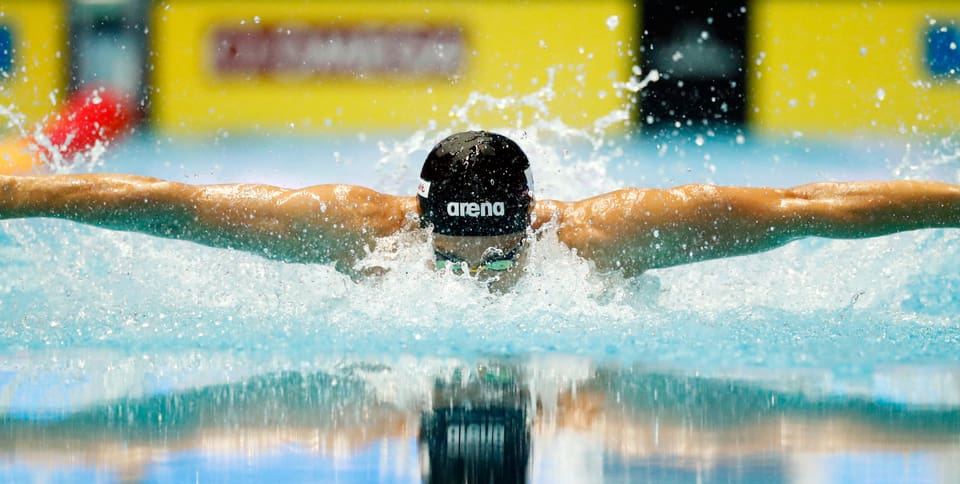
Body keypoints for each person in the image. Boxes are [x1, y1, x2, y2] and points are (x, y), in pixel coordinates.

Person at [1, 129, 959, 278]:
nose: (477, 271)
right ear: (420, 216)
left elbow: (804, 203)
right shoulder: (355, 227)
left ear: (532, 212)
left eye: (499, 247)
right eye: (454, 246)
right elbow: (175, 201)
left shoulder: (607, 237)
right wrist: (20, 196)